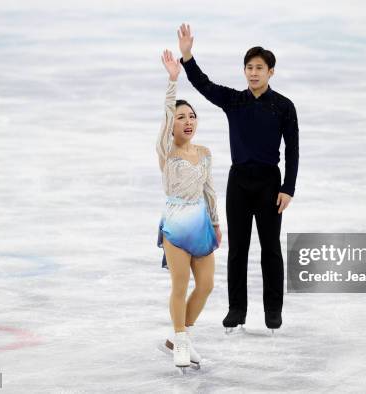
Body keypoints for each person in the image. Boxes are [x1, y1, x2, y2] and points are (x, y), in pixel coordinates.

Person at [176, 24, 299, 331]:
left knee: (270, 248)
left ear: (271, 71)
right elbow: (204, 85)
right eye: (249, 67)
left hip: (270, 183)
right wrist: (187, 56)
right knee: (238, 249)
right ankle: (237, 310)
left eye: (259, 68)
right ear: (244, 71)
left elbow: (293, 149)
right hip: (240, 183)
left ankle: (273, 310)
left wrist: (288, 188)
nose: (253, 73)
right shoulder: (235, 101)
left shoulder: (283, 107)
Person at [156, 49, 222, 369]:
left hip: (201, 223)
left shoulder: (205, 152)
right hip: (176, 223)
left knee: (206, 285)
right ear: (172, 125)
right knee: (180, 284)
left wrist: (217, 223)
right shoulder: (166, 151)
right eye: (181, 117)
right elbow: (168, 114)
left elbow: (210, 190)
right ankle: (181, 343)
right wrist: (173, 81)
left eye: (191, 116)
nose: (187, 121)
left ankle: (178, 338)